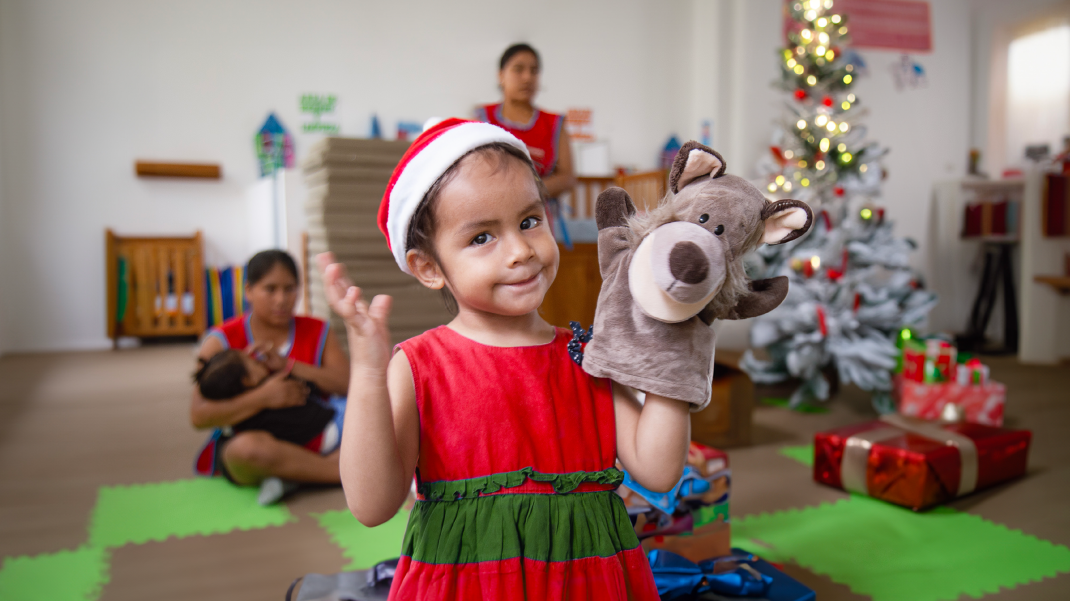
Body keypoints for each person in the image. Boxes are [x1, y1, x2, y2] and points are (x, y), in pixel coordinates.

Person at [319, 119, 690, 599]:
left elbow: (659, 471)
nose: (520, 251)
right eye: (481, 238)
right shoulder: (418, 366)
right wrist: (368, 370)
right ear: (429, 267)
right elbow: (371, 505)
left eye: (530, 221)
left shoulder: (589, 354)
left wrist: (679, 347)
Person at [190, 250, 349, 502]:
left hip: (320, 429)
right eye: (270, 289)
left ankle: (291, 474)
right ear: (248, 290)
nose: (281, 299)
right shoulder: (221, 340)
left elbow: (347, 384)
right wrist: (264, 397)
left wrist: (290, 365)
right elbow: (199, 416)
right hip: (261, 443)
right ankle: (340, 472)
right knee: (246, 450)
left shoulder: (318, 330)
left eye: (290, 289)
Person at [476, 43, 576, 199]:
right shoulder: (481, 118)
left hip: (542, 215)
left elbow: (568, 178)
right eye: (518, 69)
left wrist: (524, 195)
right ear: (501, 75)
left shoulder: (555, 123)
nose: (527, 77)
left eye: (534, 71)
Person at [194, 348, 341, 453]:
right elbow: (310, 388)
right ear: (247, 380)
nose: (259, 361)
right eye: (254, 363)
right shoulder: (275, 384)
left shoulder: (242, 418)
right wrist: (286, 368)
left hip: (309, 446)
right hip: (327, 430)